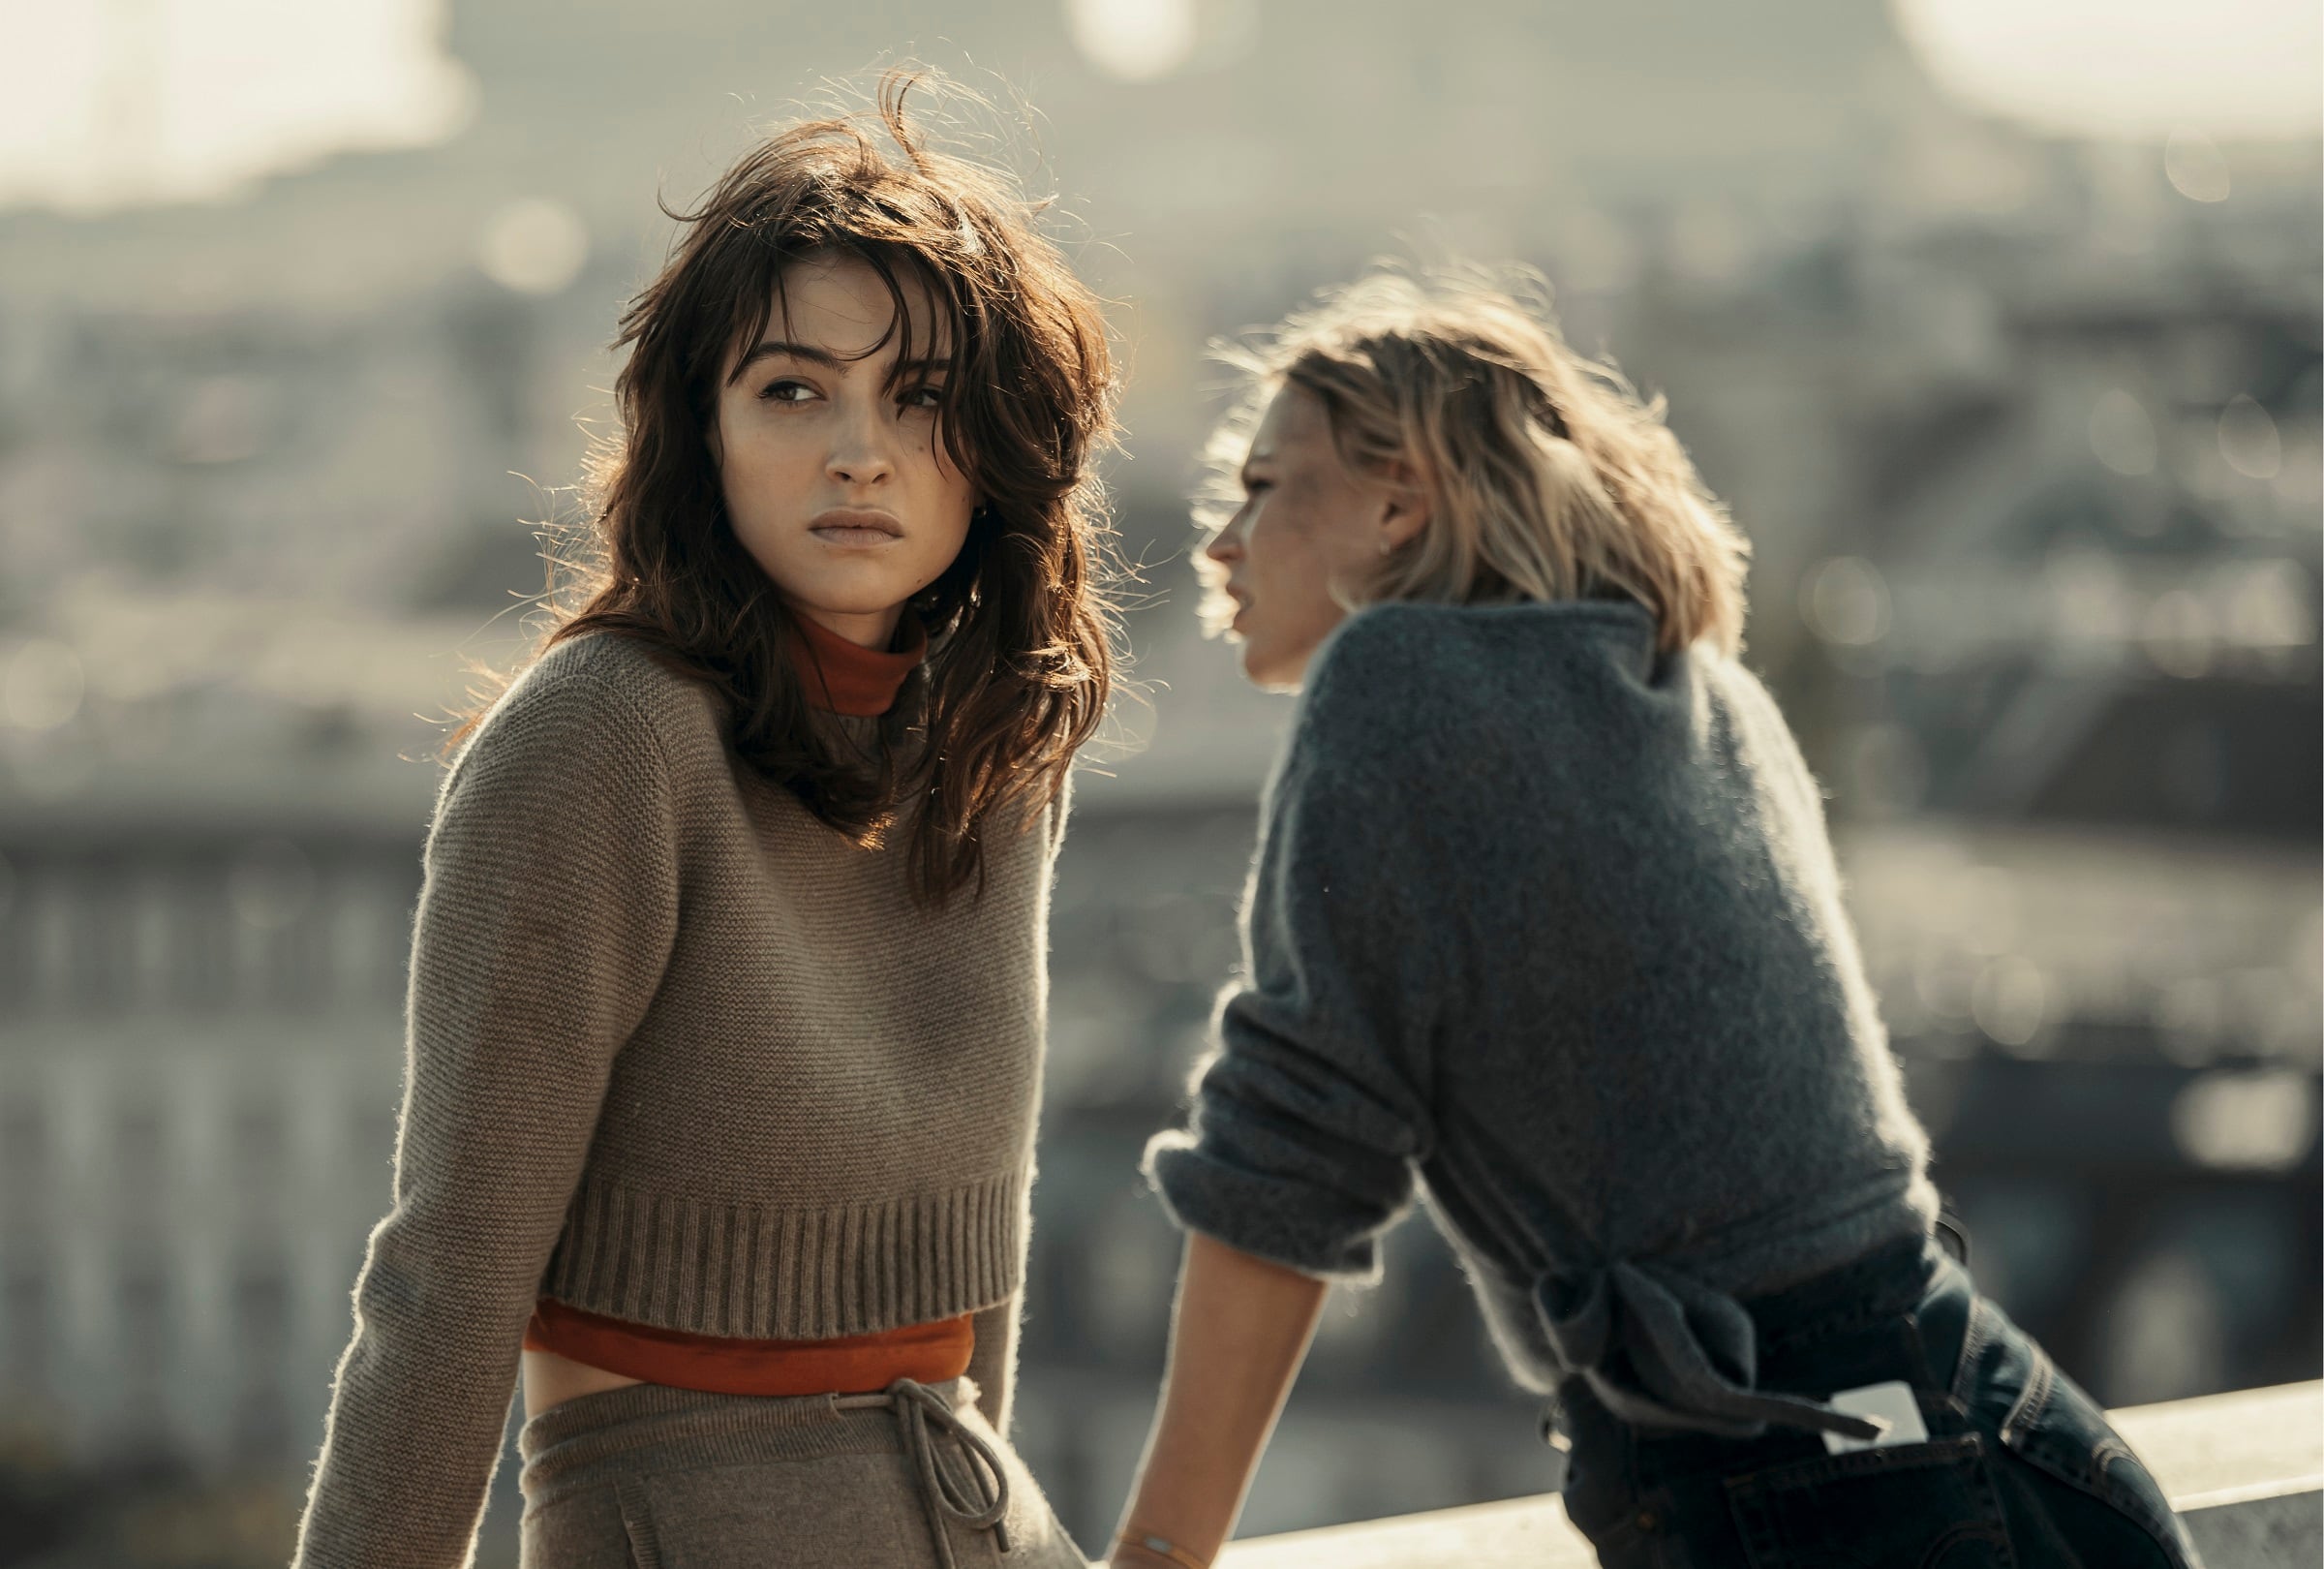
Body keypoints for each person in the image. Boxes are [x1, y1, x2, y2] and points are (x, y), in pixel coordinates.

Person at [1107, 264, 2202, 1569]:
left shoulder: (1397, 680)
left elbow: (1290, 1161)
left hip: (1804, 1475)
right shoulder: (1697, 683)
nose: (1220, 542)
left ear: (1400, 498)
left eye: (1263, 485)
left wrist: (1156, 1559)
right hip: (1995, 1421)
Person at [293, 74, 1114, 1569]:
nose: (858, 451)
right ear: (704, 427)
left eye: (922, 397)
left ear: (997, 447)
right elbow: (449, 1278)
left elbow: (974, 1283)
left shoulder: (991, 738)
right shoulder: (601, 740)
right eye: (793, 389)